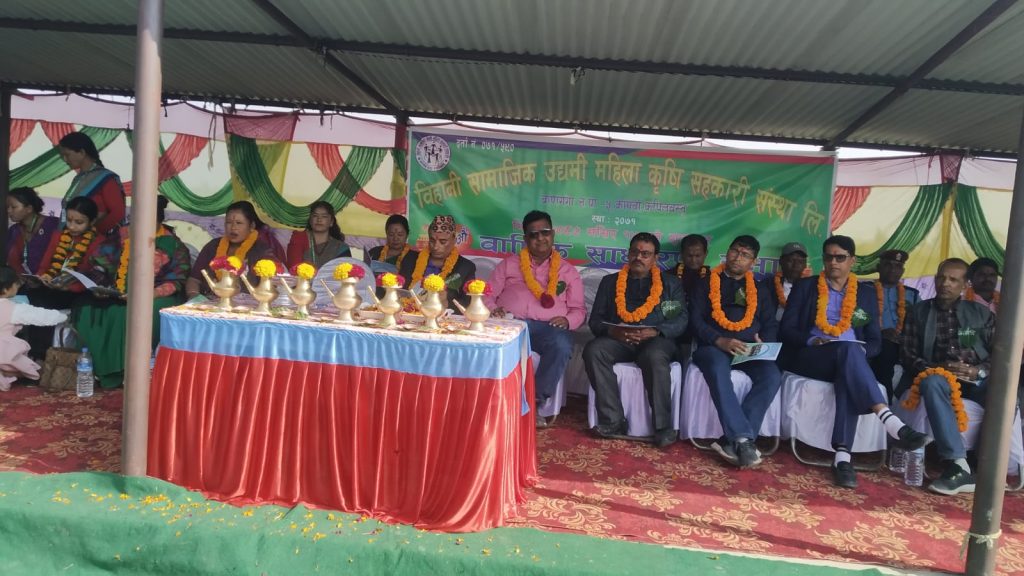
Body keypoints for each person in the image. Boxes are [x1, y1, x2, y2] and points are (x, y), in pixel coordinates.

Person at [780, 235, 929, 489]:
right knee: (848, 353)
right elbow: (786, 329)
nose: (833, 262)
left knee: (849, 360)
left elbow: (875, 341)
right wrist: (812, 340)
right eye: (829, 257)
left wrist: (860, 352)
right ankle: (889, 420)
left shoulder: (865, 294)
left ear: (852, 261)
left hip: (849, 357)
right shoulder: (806, 287)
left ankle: (842, 458)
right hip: (812, 356)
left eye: (840, 257)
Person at [898, 258, 993, 495]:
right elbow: (908, 355)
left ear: (965, 284)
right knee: (932, 382)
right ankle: (957, 463)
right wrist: (938, 367)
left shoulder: (981, 314)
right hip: (939, 378)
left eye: (953, 279)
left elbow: (1000, 356)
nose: (945, 283)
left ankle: (990, 466)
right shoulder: (918, 312)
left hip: (976, 380)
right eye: (941, 277)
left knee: (1006, 389)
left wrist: (978, 370)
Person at [73, 196, 191, 388]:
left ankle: (122, 371)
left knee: (131, 313)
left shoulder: (173, 245)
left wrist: (148, 295)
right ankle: (92, 370)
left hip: (155, 295)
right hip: (117, 292)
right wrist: (100, 287)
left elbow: (177, 280)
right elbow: (99, 265)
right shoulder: (121, 235)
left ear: (158, 220)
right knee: (86, 307)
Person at [583, 233, 687, 448]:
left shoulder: (671, 284)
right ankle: (613, 420)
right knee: (594, 350)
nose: (638, 257)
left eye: (645, 254)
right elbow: (595, 321)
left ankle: (663, 427)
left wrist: (656, 331)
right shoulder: (610, 282)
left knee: (654, 356)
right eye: (635, 252)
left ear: (655, 258)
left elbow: (681, 320)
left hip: (655, 340)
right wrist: (613, 332)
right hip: (620, 340)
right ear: (628, 254)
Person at [486, 210, 586, 426]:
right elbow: (486, 295)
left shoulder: (568, 271)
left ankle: (533, 402)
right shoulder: (509, 265)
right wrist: (493, 310)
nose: (540, 238)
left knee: (562, 344)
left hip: (549, 328)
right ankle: (492, 403)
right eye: (534, 234)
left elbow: (578, 309)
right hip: (511, 324)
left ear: (553, 234)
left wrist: (567, 321)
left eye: (545, 232)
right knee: (489, 343)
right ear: (526, 238)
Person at [690, 235, 781, 468]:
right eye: (735, 251)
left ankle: (732, 441)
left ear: (753, 262)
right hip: (713, 347)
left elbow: (770, 323)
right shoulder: (706, 283)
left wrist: (764, 342)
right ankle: (743, 439)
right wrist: (719, 340)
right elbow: (695, 321)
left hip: (749, 351)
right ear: (727, 252)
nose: (738, 258)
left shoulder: (760, 289)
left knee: (772, 376)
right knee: (717, 368)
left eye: (745, 255)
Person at [185, 201, 279, 299]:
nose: (233, 228)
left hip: (246, 305)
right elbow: (194, 279)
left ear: (251, 226)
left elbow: (271, 286)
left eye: (239, 223)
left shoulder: (262, 251)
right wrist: (194, 298)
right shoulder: (213, 246)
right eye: (229, 223)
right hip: (209, 303)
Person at [0, 267, 68, 391]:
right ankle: (15, 374)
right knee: (31, 369)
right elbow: (41, 316)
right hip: (3, 353)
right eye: (16, 285)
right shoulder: (14, 308)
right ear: (5, 289)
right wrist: (64, 316)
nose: (18, 287)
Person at [868, 249, 920, 400]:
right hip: (877, 342)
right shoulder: (865, 290)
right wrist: (879, 332)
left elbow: (921, 321)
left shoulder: (913, 294)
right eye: (888, 265)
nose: (892, 269)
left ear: (902, 271)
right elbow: (858, 318)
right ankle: (885, 399)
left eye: (897, 266)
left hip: (905, 344)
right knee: (886, 349)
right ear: (879, 267)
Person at [399, 215, 476, 309]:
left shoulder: (465, 267)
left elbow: (468, 303)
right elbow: (399, 292)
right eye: (432, 240)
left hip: (445, 316)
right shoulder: (410, 259)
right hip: (409, 313)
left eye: (443, 242)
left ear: (454, 241)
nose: (436, 246)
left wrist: (445, 303)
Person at [58, 131, 126, 236]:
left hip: (94, 241)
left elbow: (118, 213)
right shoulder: (78, 178)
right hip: (71, 238)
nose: (65, 159)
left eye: (67, 155)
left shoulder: (106, 178)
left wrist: (93, 234)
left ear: (82, 152)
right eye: (63, 156)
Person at [671, 234, 709, 361]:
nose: (693, 260)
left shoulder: (714, 278)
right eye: (689, 256)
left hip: (703, 328)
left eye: (698, 256)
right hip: (675, 326)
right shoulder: (668, 276)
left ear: (705, 254)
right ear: (682, 254)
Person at [6, 187, 61, 277]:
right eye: (7, 207)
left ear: (29, 208)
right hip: (22, 282)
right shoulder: (14, 230)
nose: (8, 211)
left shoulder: (52, 225)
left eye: (13, 207)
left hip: (50, 280)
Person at [286, 201, 351, 270]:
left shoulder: (340, 247)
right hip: (301, 277)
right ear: (310, 220)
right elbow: (293, 269)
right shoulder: (299, 238)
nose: (319, 219)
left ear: (331, 222)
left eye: (324, 216)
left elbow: (346, 272)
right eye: (315, 216)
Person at [770, 242, 808, 321]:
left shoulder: (811, 288)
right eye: (791, 260)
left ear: (805, 265)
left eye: (800, 262)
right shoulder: (768, 285)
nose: (795, 265)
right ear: (781, 261)